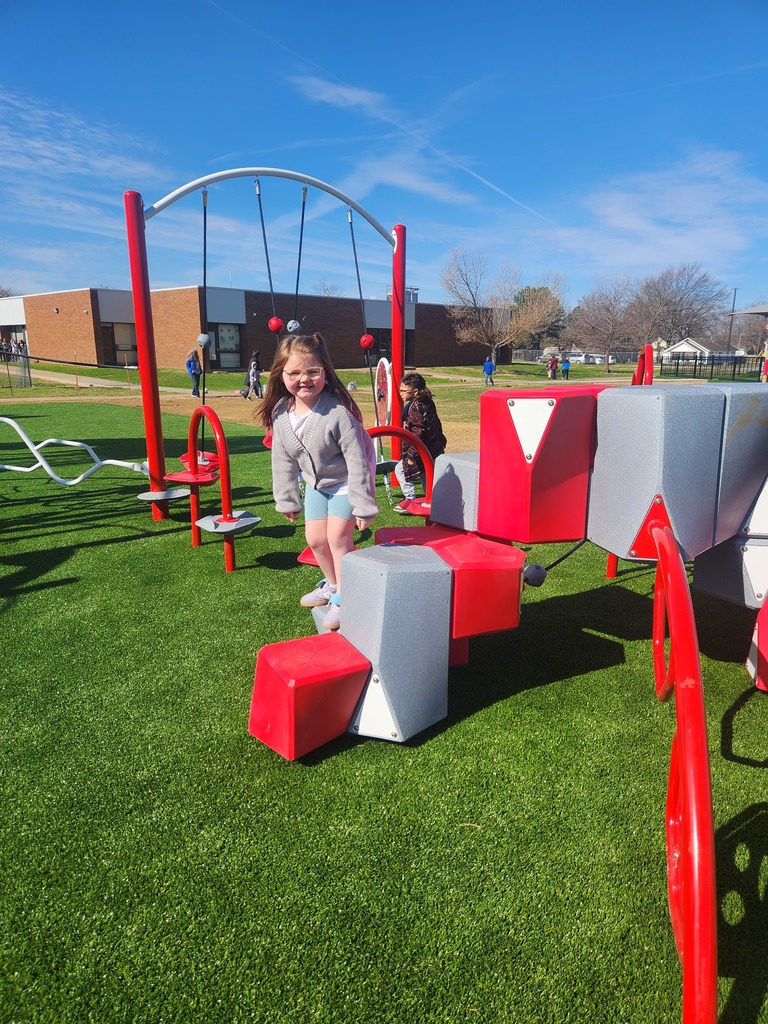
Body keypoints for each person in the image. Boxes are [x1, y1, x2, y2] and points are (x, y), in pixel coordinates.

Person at [259, 332, 379, 631]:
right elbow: (282, 459)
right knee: (315, 541)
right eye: (295, 373)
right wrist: (287, 498)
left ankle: (346, 597)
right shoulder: (280, 413)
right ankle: (334, 585)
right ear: (281, 375)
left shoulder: (337, 413)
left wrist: (363, 504)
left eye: (313, 371)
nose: (304, 379)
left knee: (339, 539)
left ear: (325, 371)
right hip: (317, 484)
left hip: (345, 483)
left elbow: (358, 461)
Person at [393, 372, 447, 513]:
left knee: (400, 469)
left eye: (405, 391)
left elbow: (419, 432)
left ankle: (410, 499)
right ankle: (433, 501)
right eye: (400, 390)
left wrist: (411, 453)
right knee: (426, 474)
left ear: (416, 391)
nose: (401, 394)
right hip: (433, 446)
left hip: (422, 447)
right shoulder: (427, 401)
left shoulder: (417, 407)